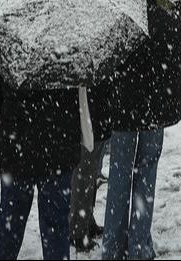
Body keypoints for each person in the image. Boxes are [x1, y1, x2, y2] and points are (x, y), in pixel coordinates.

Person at [0, 68, 81, 260]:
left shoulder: (7, 49)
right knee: (55, 229)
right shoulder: (66, 48)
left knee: (9, 227)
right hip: (56, 150)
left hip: (17, 150)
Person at [102, 0, 181, 259]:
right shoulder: (167, 15)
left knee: (119, 174)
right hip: (155, 110)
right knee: (147, 174)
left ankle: (112, 246)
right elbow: (176, 58)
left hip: (123, 110)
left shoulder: (120, 16)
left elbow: (107, 61)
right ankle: (139, 244)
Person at [70, 81, 112, 252]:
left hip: (100, 109)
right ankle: (78, 230)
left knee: (93, 171)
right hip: (89, 112)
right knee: (85, 173)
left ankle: (86, 220)